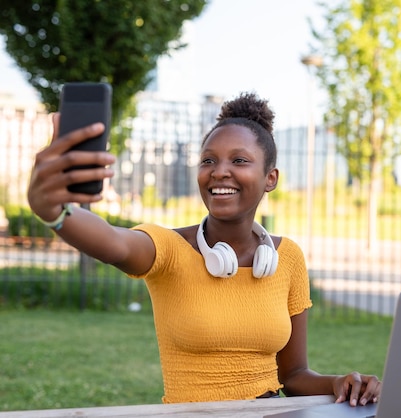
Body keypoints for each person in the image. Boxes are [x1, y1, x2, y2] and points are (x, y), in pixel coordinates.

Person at [27, 91, 382, 406]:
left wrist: (340, 383)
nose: (219, 172)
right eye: (208, 160)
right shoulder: (168, 249)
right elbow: (114, 243)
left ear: (270, 178)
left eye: (239, 161)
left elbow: (293, 374)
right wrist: (53, 210)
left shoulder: (287, 258)